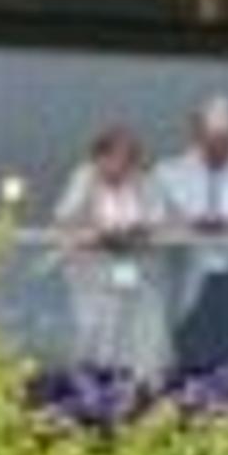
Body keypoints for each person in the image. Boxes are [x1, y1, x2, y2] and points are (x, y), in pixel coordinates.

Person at [151, 92, 228, 376]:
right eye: (214, 141)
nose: (221, 149)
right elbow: (155, 230)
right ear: (197, 133)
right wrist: (193, 227)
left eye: (227, 140)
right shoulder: (169, 172)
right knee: (189, 364)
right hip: (189, 283)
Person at [50, 124, 166, 377]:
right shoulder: (84, 177)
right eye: (113, 157)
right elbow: (64, 218)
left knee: (127, 321)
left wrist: (137, 230)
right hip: (89, 269)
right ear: (99, 157)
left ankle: (126, 376)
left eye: (127, 159)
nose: (119, 165)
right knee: (91, 325)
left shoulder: (144, 180)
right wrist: (96, 232)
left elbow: (157, 219)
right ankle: (85, 376)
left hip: (128, 264)